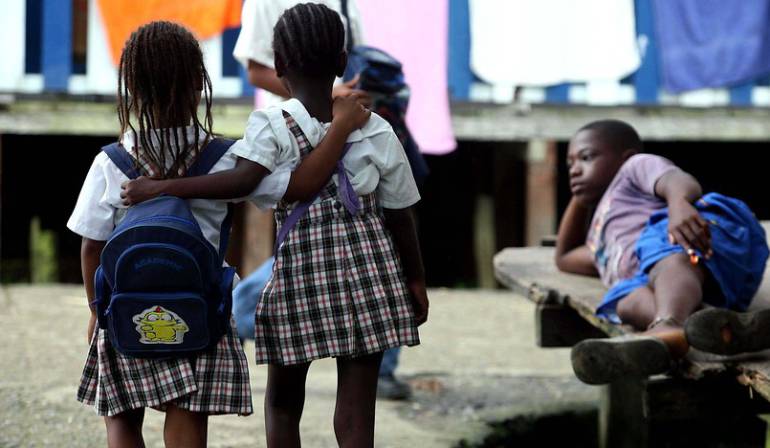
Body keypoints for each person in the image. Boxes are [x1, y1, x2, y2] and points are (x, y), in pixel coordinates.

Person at [122, 4, 429, 446]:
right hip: (369, 280)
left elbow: (245, 181)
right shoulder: (376, 128)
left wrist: (164, 187)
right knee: (358, 409)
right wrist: (415, 280)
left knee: (283, 404)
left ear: (279, 66)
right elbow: (401, 214)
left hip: (298, 282)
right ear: (344, 62)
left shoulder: (271, 125)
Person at [67, 22, 255, 447]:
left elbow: (91, 245)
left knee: (122, 415)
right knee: (186, 409)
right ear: (197, 82)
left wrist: (98, 310)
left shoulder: (112, 162)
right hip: (200, 305)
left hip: (126, 302)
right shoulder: (224, 160)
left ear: (131, 86)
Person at [234, 0, 414, 401]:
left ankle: (240, 312)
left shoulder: (345, 2)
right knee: (322, 241)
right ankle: (238, 311)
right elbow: (255, 68)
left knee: (332, 241)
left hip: (345, 123)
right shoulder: (266, 3)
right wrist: (329, 93)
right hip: (293, 130)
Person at [555, 119, 768, 385]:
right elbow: (564, 258)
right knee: (624, 301)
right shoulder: (601, 240)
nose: (574, 170)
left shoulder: (632, 170)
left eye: (585, 158)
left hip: (700, 237)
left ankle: (668, 323)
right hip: (696, 287)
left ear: (625, 158)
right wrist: (580, 197)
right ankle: (717, 328)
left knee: (660, 247)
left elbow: (676, 179)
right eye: (569, 164)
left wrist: (679, 204)